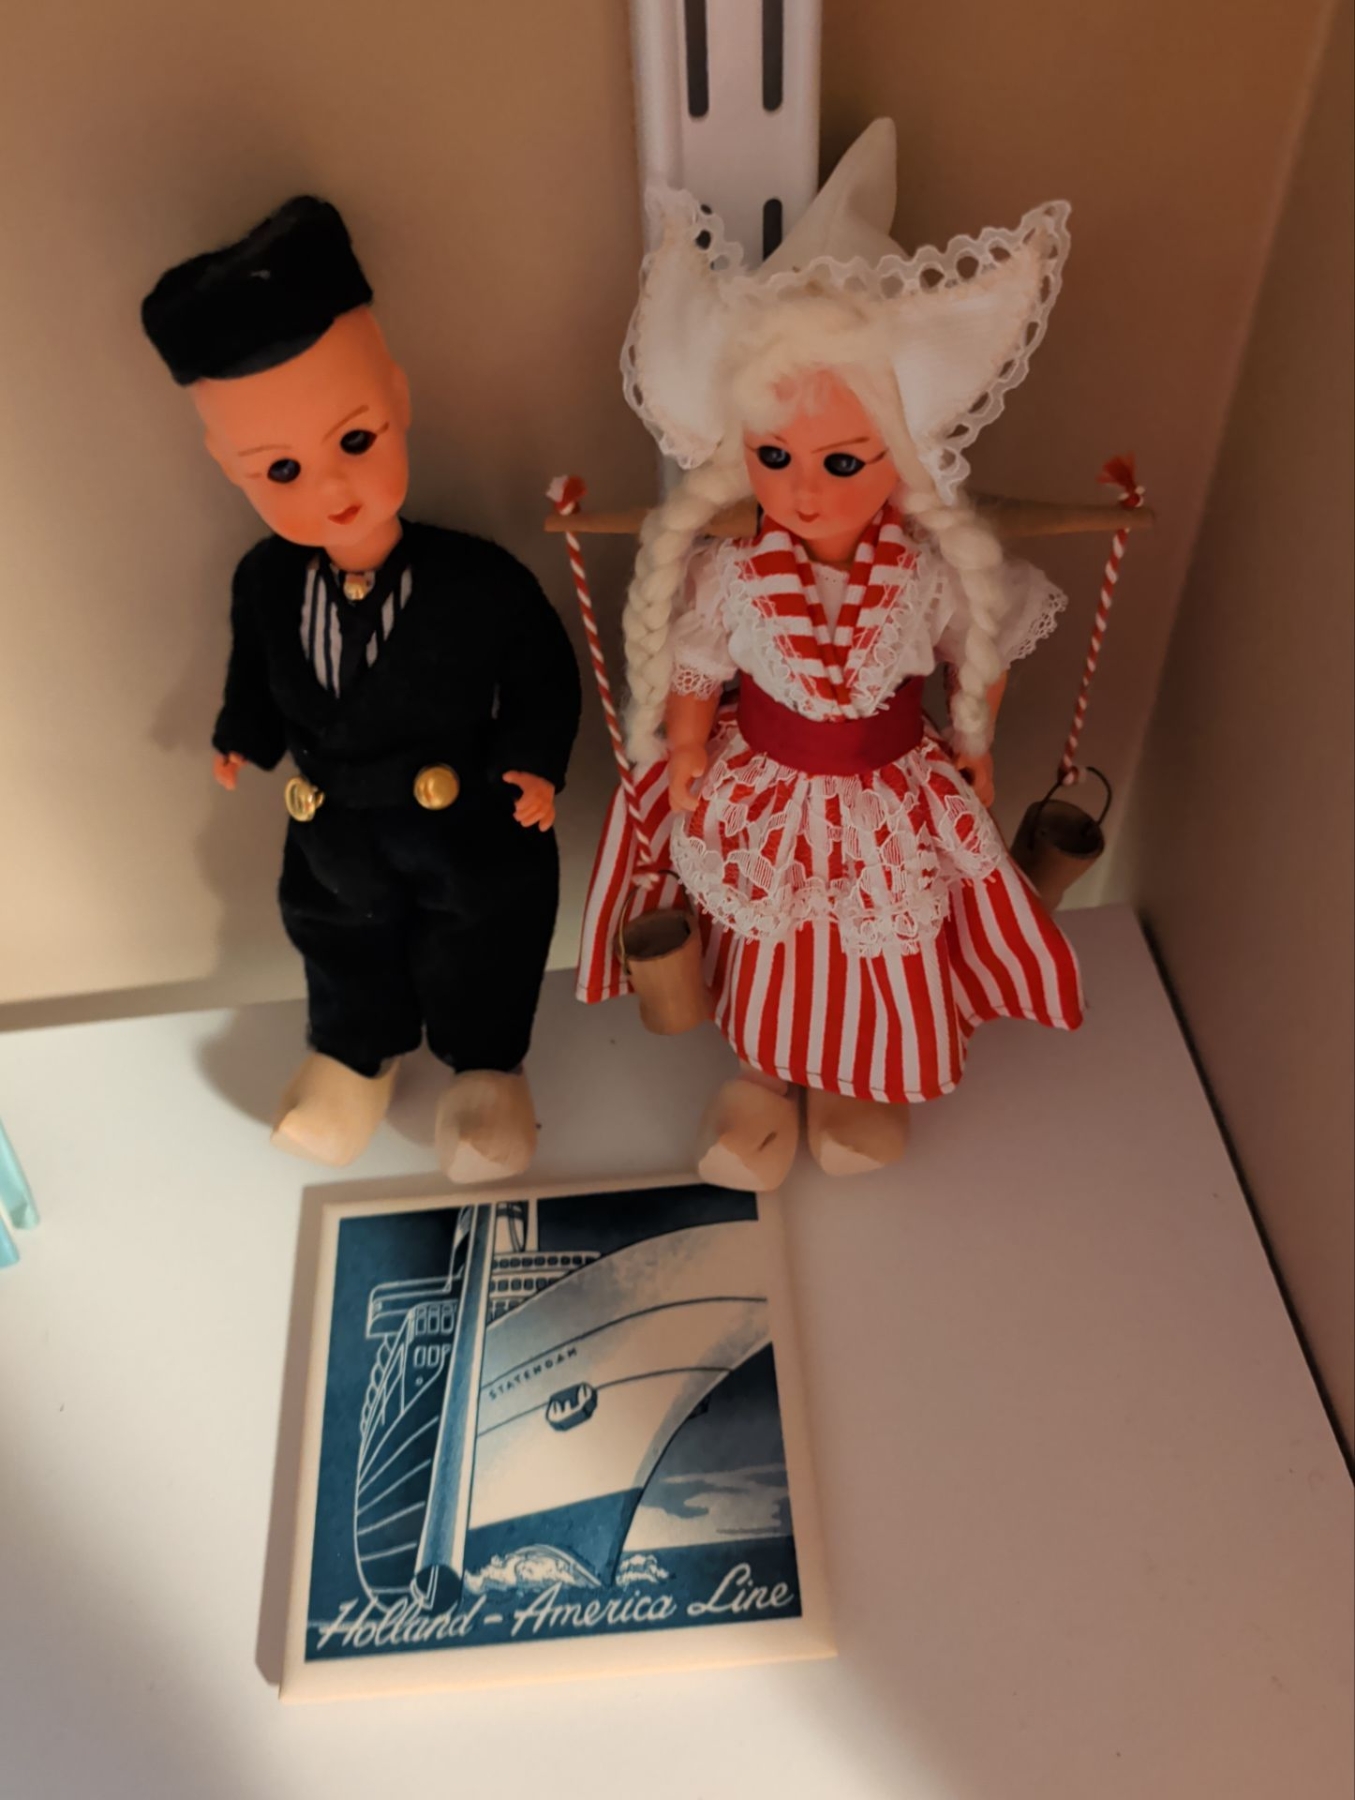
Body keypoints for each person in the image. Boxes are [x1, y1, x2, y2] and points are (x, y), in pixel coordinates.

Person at [579, 121, 1083, 1190]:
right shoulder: (732, 570)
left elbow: (976, 650)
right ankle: (763, 1073)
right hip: (764, 785)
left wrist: (977, 742)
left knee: (877, 944)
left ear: (899, 455)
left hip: (886, 795)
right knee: (764, 940)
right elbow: (697, 661)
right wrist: (685, 746)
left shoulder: (924, 572)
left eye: (841, 461)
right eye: (773, 456)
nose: (803, 491)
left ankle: (859, 1079)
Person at [143, 197, 580, 1178]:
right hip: (334, 827)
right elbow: (255, 667)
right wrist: (241, 734)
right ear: (228, 467)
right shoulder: (265, 580)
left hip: (461, 824)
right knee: (338, 937)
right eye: (279, 470)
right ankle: (351, 1057)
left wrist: (532, 762)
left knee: (481, 942)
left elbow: (541, 667)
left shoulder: (474, 579)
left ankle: (484, 1071)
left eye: (354, 441)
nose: (328, 491)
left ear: (396, 397)